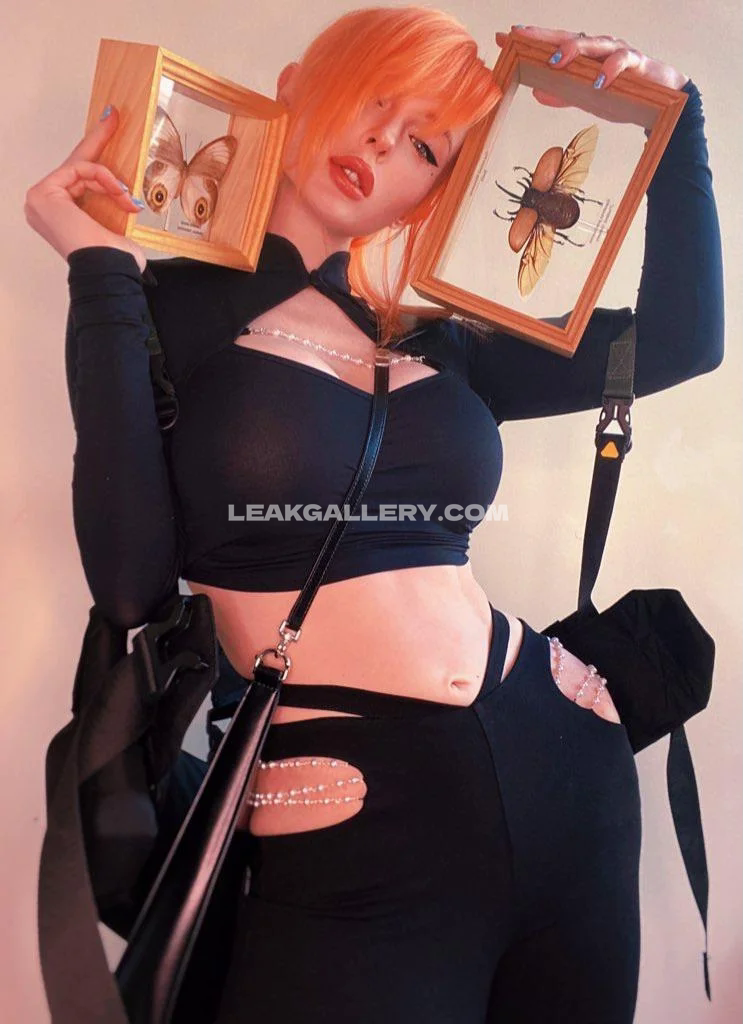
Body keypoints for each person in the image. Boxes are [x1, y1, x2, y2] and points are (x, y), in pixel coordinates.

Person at [25, 7, 723, 1022]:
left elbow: (679, 341)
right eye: (374, 99)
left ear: (437, 190)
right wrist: (95, 271)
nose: (385, 142)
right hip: (347, 811)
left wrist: (673, 119)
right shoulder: (160, 307)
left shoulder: (443, 344)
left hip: (567, 770)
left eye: (427, 147)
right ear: (297, 83)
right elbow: (129, 579)